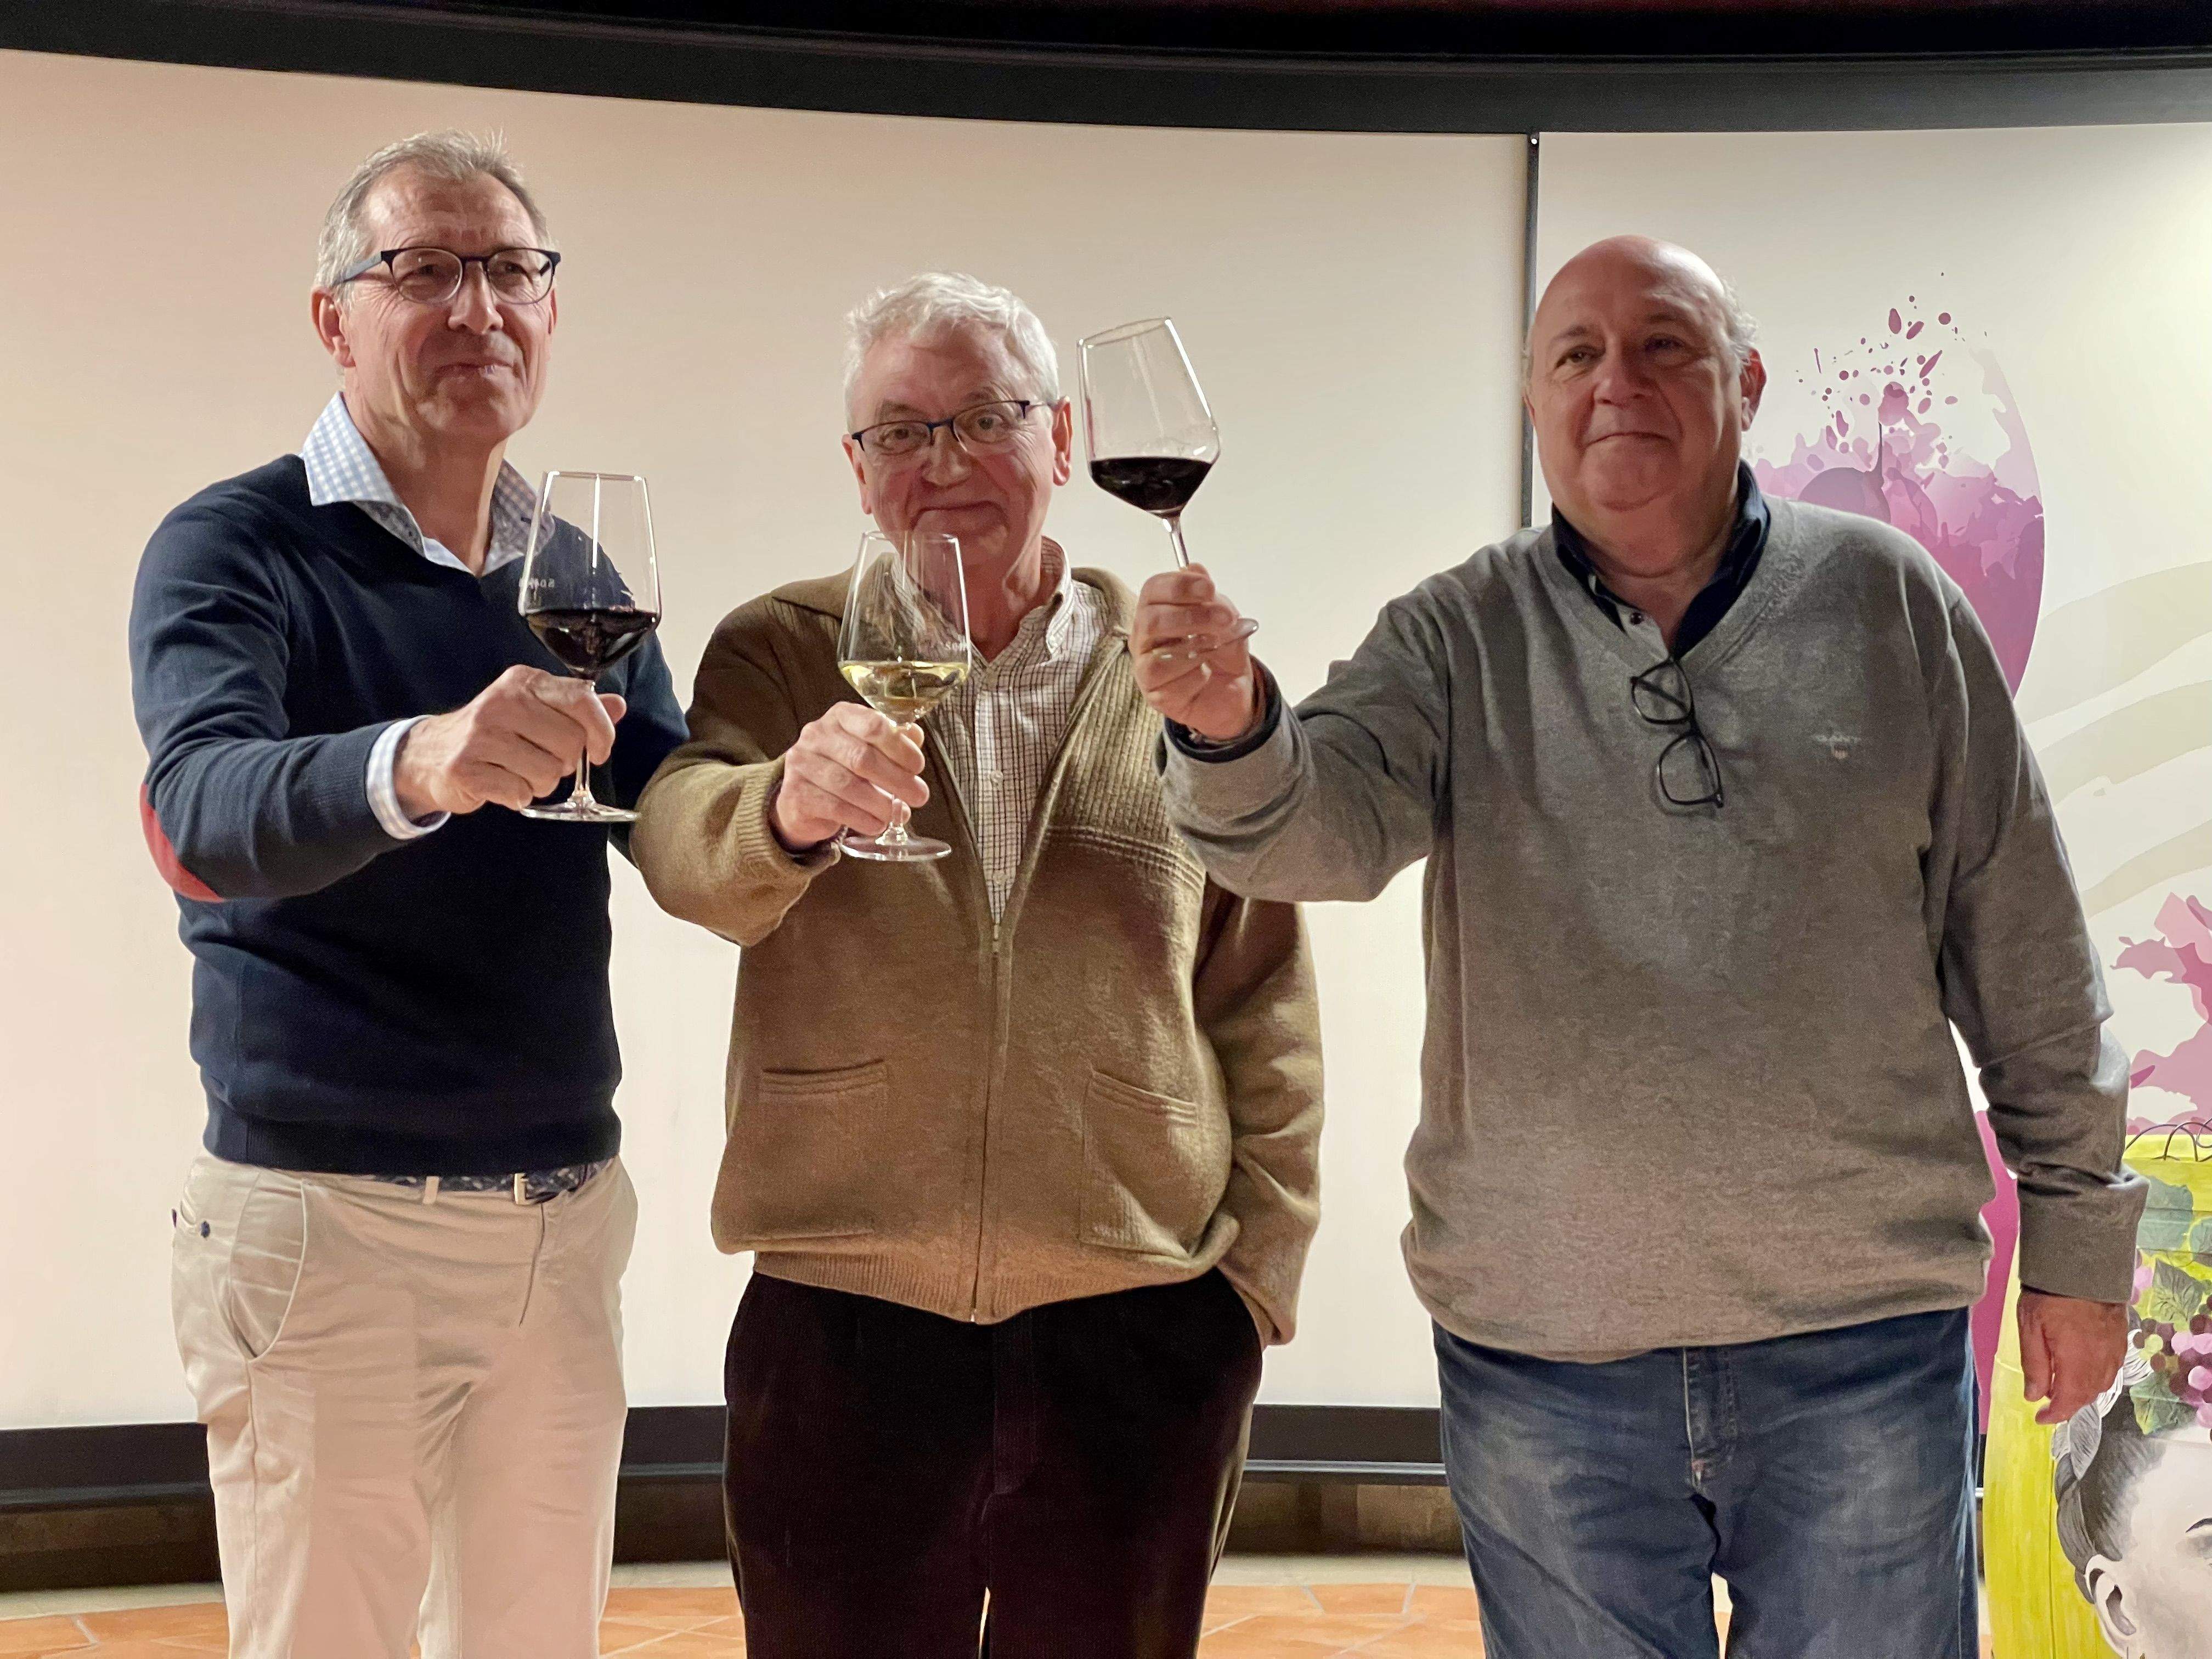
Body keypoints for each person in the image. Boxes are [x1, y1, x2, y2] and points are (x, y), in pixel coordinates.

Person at [1135, 234, 2145, 1658]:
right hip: (1545, 1354)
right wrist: (1229, 725)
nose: (1618, 383)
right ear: (1535, 408)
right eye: (1575, 356)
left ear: (1745, 383)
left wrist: (2080, 1244)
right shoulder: (1457, 633)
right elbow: (1308, 835)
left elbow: (2024, 937)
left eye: (1664, 345)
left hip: (1861, 1349)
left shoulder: (1891, 602)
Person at [631, 271, 1323, 1659]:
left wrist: (1251, 1291)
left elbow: (1264, 994)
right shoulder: (783, 648)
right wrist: (781, 807)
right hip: (843, 1323)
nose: (941, 463)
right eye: (901, 431)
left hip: (1140, 1326)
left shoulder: (1176, 670)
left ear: (1062, 441)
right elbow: (681, 851)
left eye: (984, 419)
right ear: (856, 470)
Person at [129, 131, 685, 1659]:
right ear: (335, 318)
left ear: (551, 314)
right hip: (324, 1230)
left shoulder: (573, 570)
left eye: (513, 272)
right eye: (423, 270)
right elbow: (205, 804)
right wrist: (419, 762)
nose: (479, 309)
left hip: (561, 1230)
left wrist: (797, 803)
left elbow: (666, 803)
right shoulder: (233, 547)